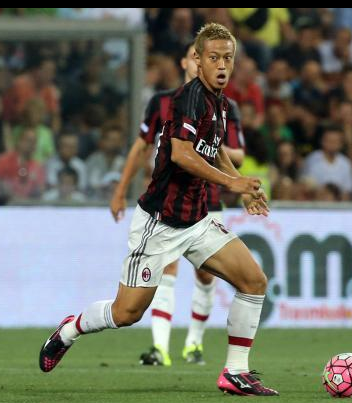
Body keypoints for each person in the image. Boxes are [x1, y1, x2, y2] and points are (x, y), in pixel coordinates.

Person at [39, 23, 278, 396]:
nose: (221, 65)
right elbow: (182, 154)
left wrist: (241, 186)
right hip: (160, 224)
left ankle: (235, 372)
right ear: (197, 59)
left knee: (254, 281)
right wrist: (230, 184)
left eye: (228, 58)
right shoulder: (188, 99)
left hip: (196, 222)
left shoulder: (220, 102)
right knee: (126, 313)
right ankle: (70, 329)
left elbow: (214, 150)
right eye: (214, 57)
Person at [111, 43, 244, 366]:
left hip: (208, 199)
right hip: (170, 200)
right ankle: (160, 347)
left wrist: (208, 147)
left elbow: (237, 154)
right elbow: (141, 147)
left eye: (218, 57)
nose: (206, 62)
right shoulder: (163, 102)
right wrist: (121, 189)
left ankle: (194, 345)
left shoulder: (225, 105)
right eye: (198, 56)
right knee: (166, 268)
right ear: (186, 61)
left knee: (206, 276)